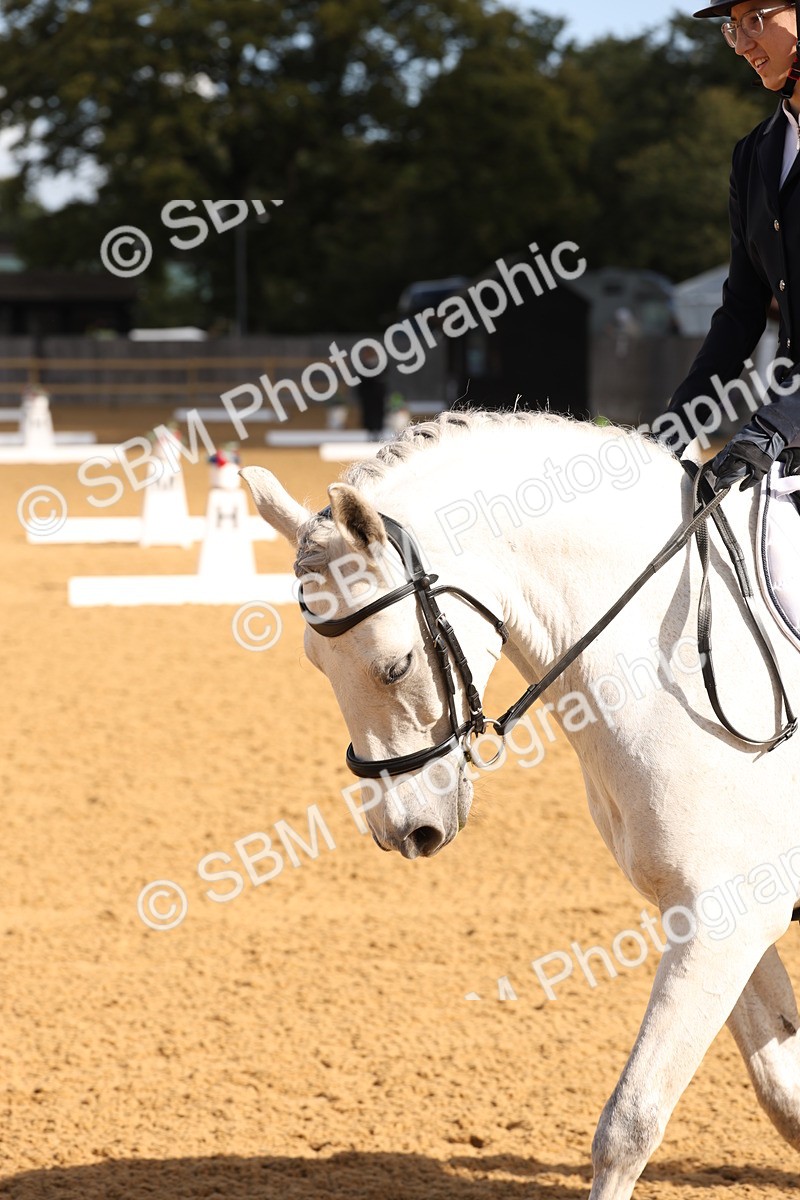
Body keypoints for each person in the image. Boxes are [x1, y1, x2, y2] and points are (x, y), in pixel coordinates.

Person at [665, 0, 800, 488]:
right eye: (733, 28)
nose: (742, 45)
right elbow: (742, 310)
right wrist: (674, 426)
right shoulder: (753, 154)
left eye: (754, 22)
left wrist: (775, 425)